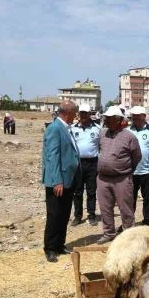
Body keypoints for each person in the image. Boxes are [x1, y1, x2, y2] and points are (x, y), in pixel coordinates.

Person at [41, 100, 81, 262]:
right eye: (75, 113)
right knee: (54, 214)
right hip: (58, 180)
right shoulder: (55, 128)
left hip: (68, 179)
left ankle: (59, 244)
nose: (76, 116)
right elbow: (52, 156)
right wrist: (57, 180)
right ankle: (50, 248)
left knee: (64, 214)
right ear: (68, 113)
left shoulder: (65, 127)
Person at [96, 106, 142, 242]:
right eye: (106, 118)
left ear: (118, 120)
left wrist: (125, 169)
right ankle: (109, 233)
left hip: (122, 179)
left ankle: (129, 236)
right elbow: (100, 150)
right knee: (105, 208)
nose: (106, 121)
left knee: (126, 208)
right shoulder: (102, 134)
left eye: (109, 118)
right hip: (103, 178)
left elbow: (137, 156)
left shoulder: (129, 137)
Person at [129, 106, 149, 225]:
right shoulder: (127, 131)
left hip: (147, 171)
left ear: (144, 116)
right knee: (130, 198)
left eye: (138, 116)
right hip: (130, 172)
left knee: (147, 197)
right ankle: (129, 221)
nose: (136, 118)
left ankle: (147, 220)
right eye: (134, 116)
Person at [71, 104, 101, 226]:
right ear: (79, 114)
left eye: (86, 113)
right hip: (77, 163)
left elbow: (101, 146)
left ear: (90, 114)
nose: (83, 115)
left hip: (92, 163)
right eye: (81, 113)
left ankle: (91, 215)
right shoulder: (72, 129)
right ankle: (78, 216)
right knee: (77, 191)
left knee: (91, 191)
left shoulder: (97, 129)